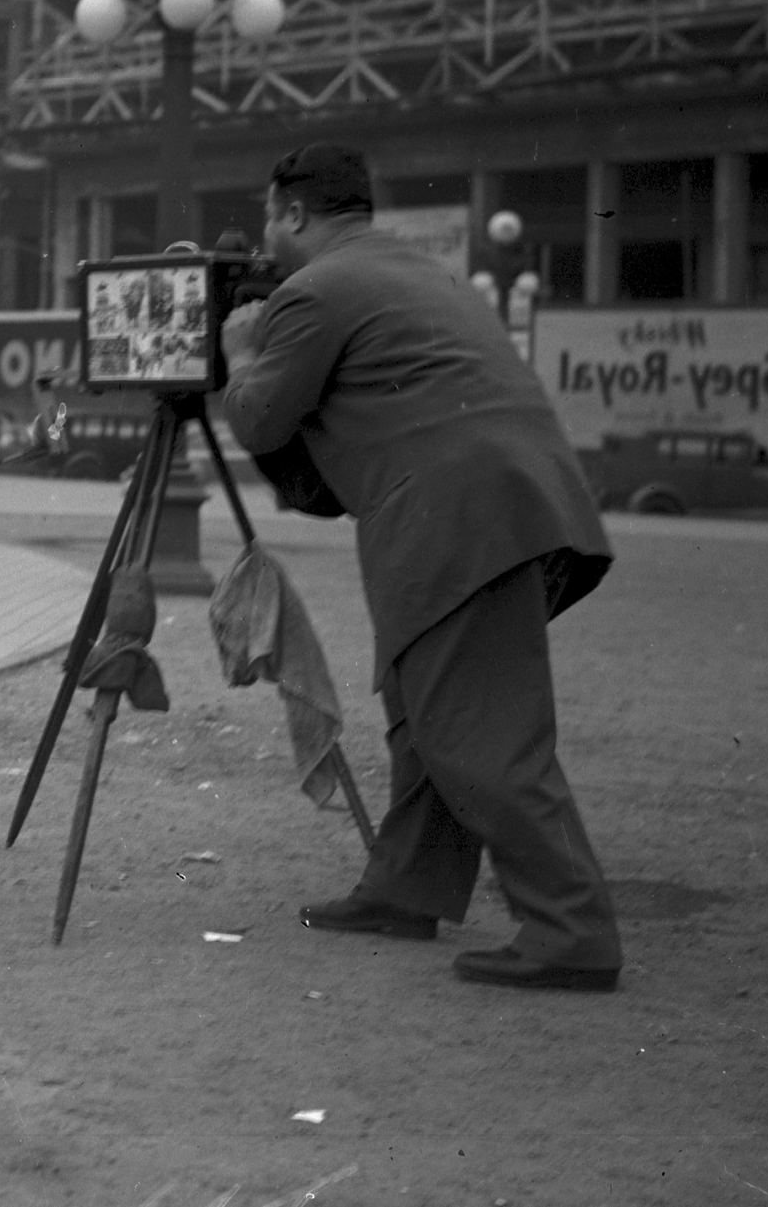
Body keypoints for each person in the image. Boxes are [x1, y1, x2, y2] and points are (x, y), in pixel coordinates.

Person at [218, 142, 621, 993]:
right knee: (424, 704)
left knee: (477, 729)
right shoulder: (416, 271)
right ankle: (407, 885)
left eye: (269, 216)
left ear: (293, 213)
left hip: (457, 517)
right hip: (515, 502)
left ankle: (570, 927)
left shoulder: (314, 291)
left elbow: (257, 419)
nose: (265, 234)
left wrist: (242, 347)